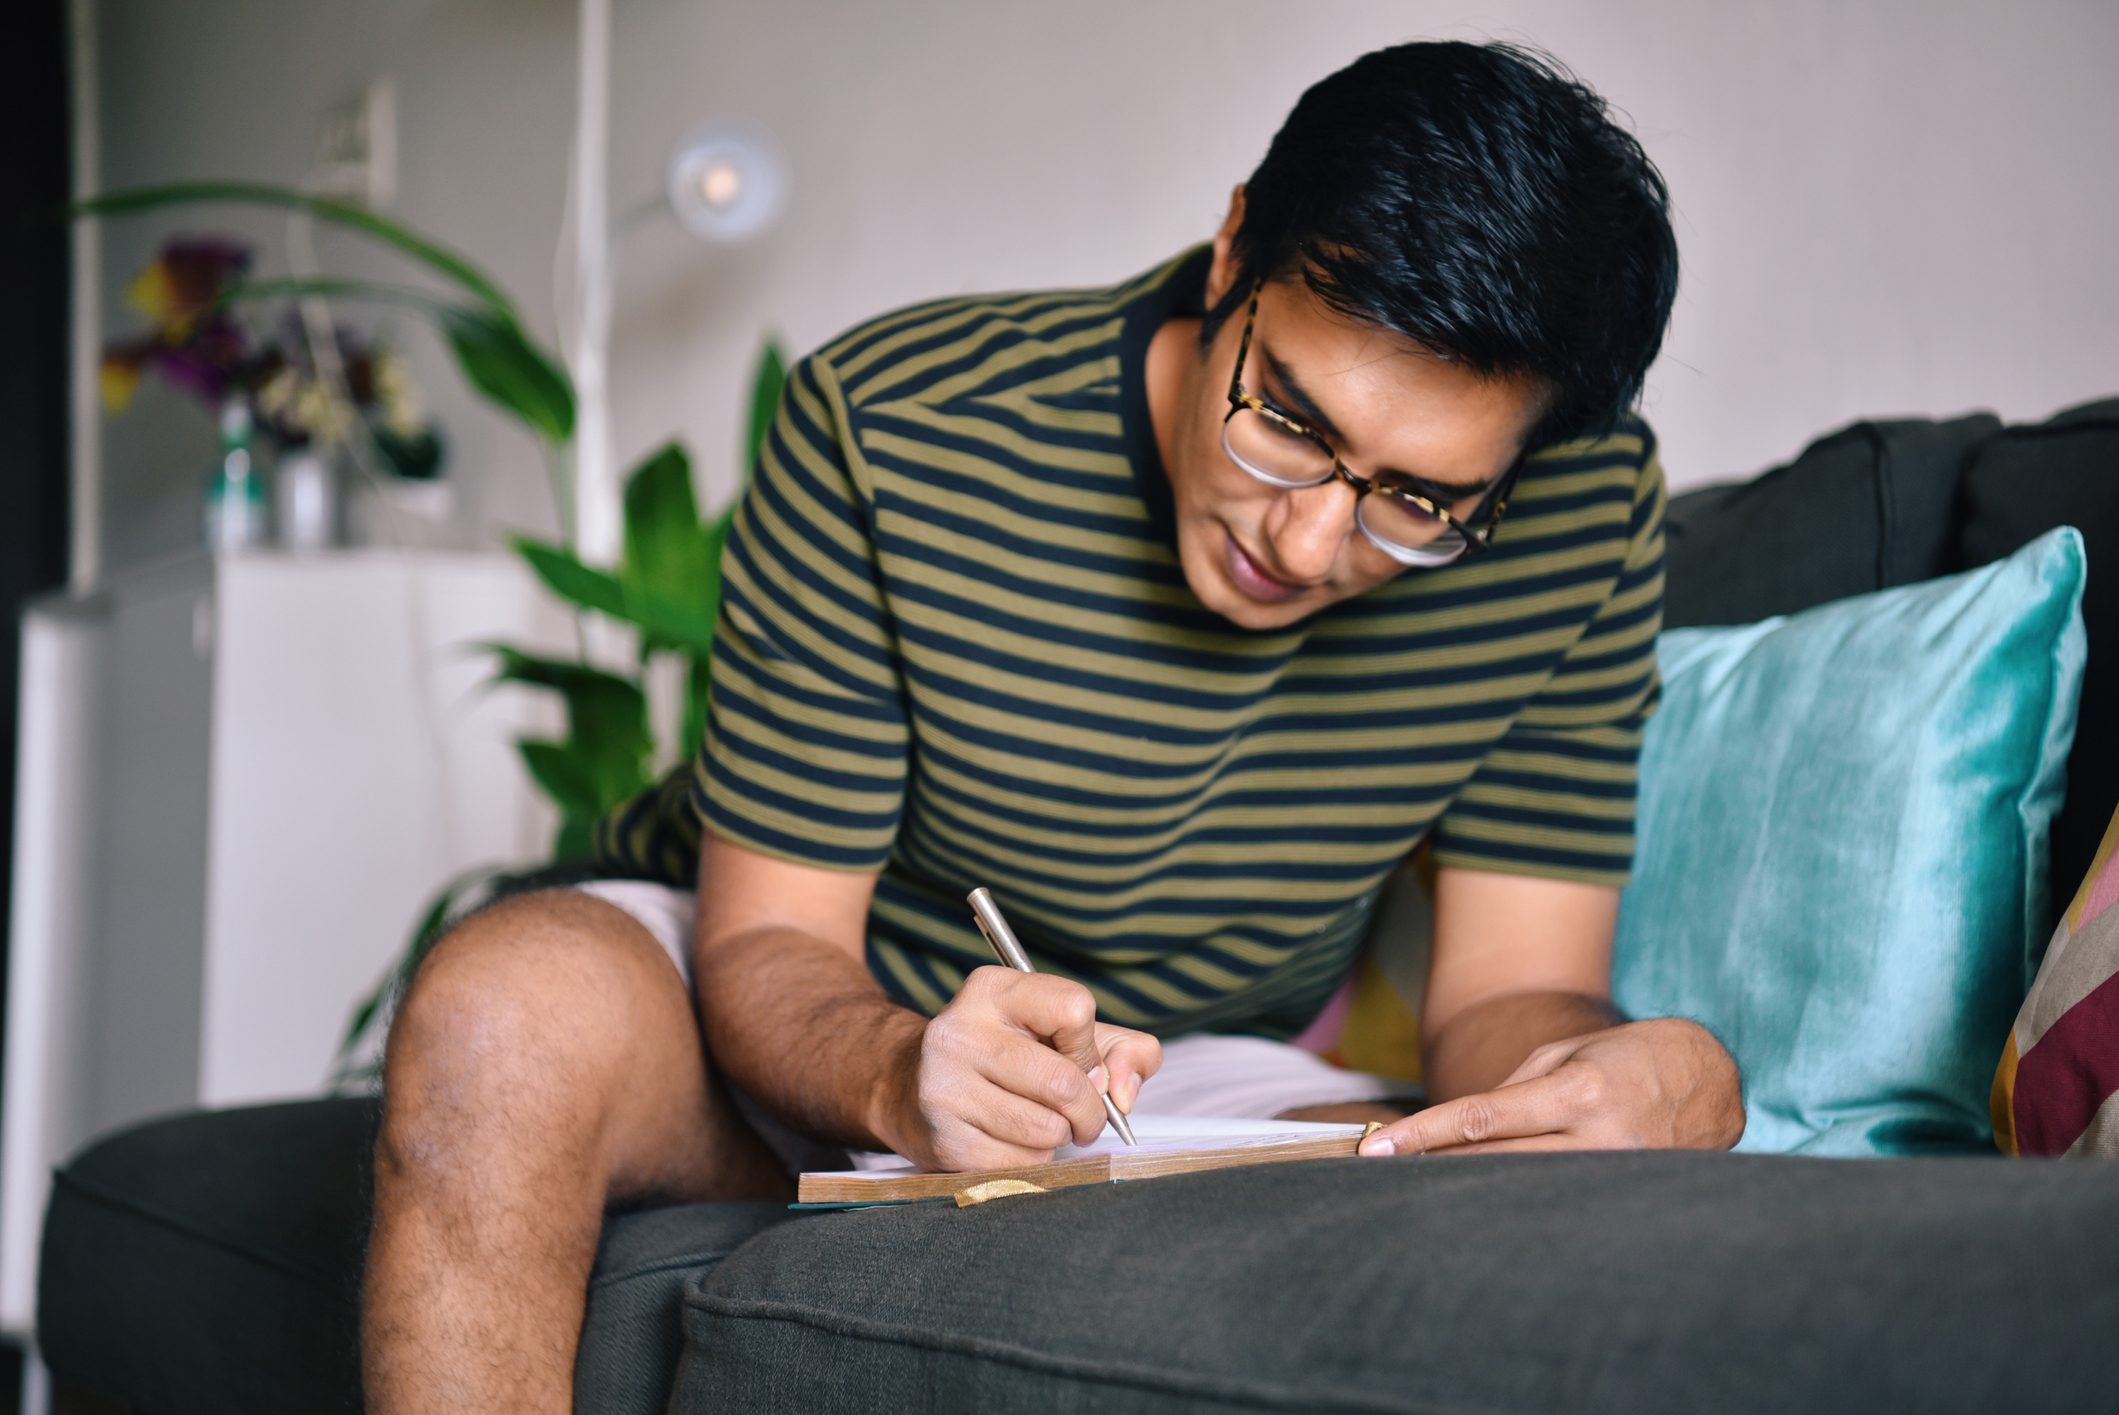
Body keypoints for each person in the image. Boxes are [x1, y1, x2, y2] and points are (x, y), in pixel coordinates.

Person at [361, 38, 1745, 1412]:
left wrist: (1602, 1082)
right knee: (502, 1020)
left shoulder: (1581, 515)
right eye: (1286, 417)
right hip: (812, 1002)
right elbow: (771, 941)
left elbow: (1505, 993)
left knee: (1477, 1179)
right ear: (1231, 253)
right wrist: (903, 1071)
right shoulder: (898, 427)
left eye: (1420, 501)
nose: (1311, 541)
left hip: (1187, 1071)